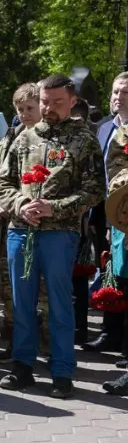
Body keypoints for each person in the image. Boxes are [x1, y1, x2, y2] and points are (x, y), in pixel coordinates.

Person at [0, 74, 105, 399]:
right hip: (21, 231)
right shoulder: (24, 137)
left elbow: (95, 189)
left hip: (59, 235)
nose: (49, 108)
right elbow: (3, 183)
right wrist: (22, 204)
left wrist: (53, 208)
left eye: (57, 103)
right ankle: (23, 366)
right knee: (22, 302)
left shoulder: (85, 140)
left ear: (72, 102)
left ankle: (61, 372)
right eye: (45, 101)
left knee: (59, 304)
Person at [0, 83, 44, 362]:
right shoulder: (13, 136)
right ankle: (14, 343)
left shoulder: (49, 140)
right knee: (9, 287)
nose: (24, 114)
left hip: (41, 225)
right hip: (10, 223)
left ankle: (44, 344)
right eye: (20, 109)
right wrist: (1, 204)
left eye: (30, 109)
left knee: (41, 291)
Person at [84, 71, 128, 355]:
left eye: (124, 92)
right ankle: (109, 333)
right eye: (114, 92)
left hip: (126, 212)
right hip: (103, 211)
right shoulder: (103, 128)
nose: (117, 97)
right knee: (108, 270)